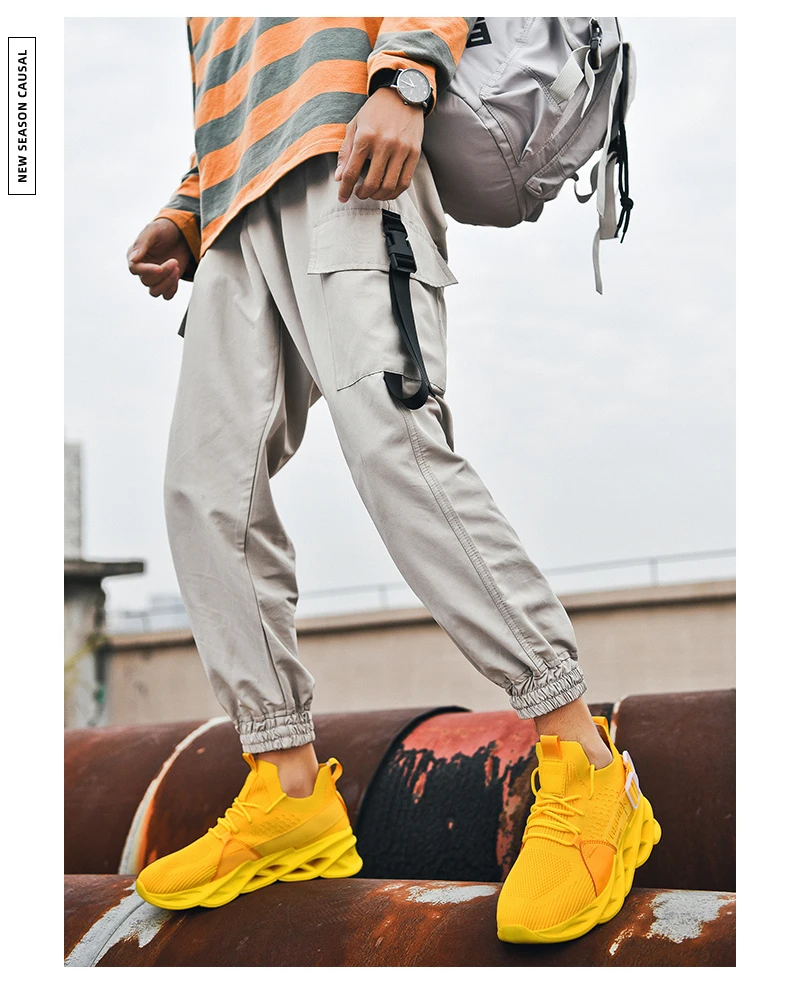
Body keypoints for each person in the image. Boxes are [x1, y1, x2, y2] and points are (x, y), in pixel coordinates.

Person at [127, 17, 659, 944]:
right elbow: (243, 71)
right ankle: (287, 786)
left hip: (351, 150)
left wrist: (406, 77)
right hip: (232, 205)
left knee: (395, 448)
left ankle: (585, 763)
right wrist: (186, 202)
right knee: (204, 490)